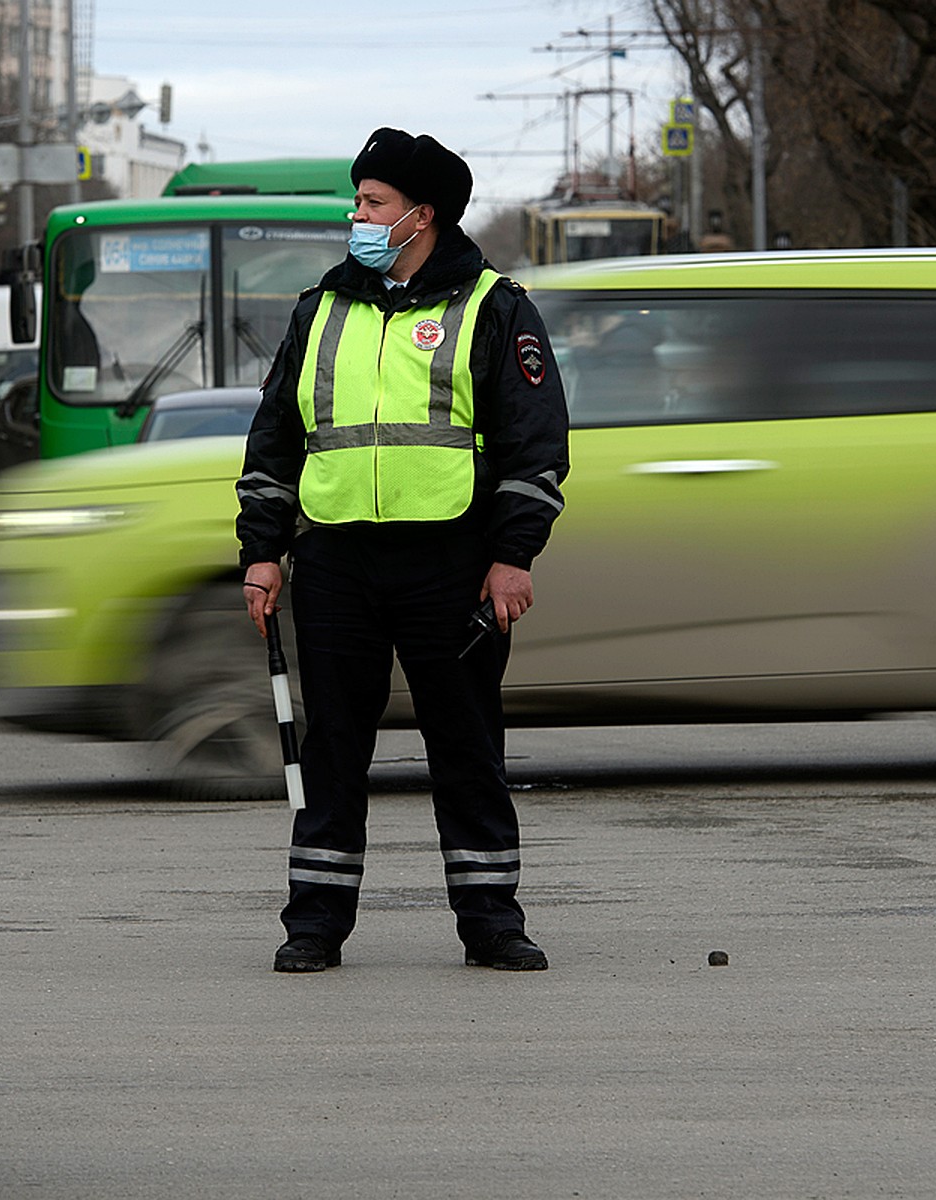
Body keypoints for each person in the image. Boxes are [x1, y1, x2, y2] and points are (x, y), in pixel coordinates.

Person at [236, 128, 570, 974]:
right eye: (359, 200)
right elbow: (275, 437)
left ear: (422, 217)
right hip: (339, 565)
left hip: (452, 564)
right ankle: (312, 924)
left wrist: (512, 555)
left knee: (466, 748)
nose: (358, 214)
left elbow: (536, 445)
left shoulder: (495, 307)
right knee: (333, 749)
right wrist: (263, 551)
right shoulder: (321, 309)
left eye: (373, 202)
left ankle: (492, 921)